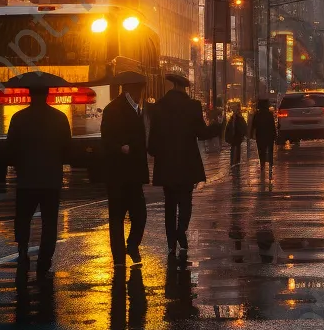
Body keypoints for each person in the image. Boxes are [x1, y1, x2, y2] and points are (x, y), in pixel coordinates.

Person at [5, 75, 72, 282]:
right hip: (51, 179)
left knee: (23, 218)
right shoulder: (60, 118)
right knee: (49, 222)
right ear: (48, 95)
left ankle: (23, 249)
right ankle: (44, 259)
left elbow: (10, 150)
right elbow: (68, 151)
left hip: (26, 179)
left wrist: (19, 165)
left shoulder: (18, 118)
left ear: (29, 95)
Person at [148, 72, 222, 255]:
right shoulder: (192, 106)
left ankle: (171, 242)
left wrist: (157, 153)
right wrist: (218, 126)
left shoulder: (158, 107)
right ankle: (181, 231)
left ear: (172, 86)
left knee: (170, 204)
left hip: (166, 164)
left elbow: (152, 143)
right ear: (183, 88)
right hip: (187, 163)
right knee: (186, 201)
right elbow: (202, 133)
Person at [100, 71, 150, 266]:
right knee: (117, 218)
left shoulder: (139, 108)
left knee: (140, 215)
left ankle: (132, 245)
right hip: (118, 173)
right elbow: (105, 138)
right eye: (139, 90)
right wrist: (120, 147)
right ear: (131, 89)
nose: (141, 94)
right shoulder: (112, 109)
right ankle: (119, 258)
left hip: (135, 173)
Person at [248, 99, 277, 168]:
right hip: (269, 135)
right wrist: (275, 135)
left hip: (260, 135)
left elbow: (253, 125)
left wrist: (251, 134)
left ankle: (262, 164)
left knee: (261, 150)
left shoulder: (257, 114)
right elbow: (272, 125)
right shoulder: (269, 114)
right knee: (270, 149)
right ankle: (270, 163)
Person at [224, 102, 246, 167]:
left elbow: (242, 126)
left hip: (237, 135)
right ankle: (235, 161)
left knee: (235, 147)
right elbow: (230, 126)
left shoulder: (237, 117)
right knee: (235, 147)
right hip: (235, 134)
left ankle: (235, 161)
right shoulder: (235, 118)